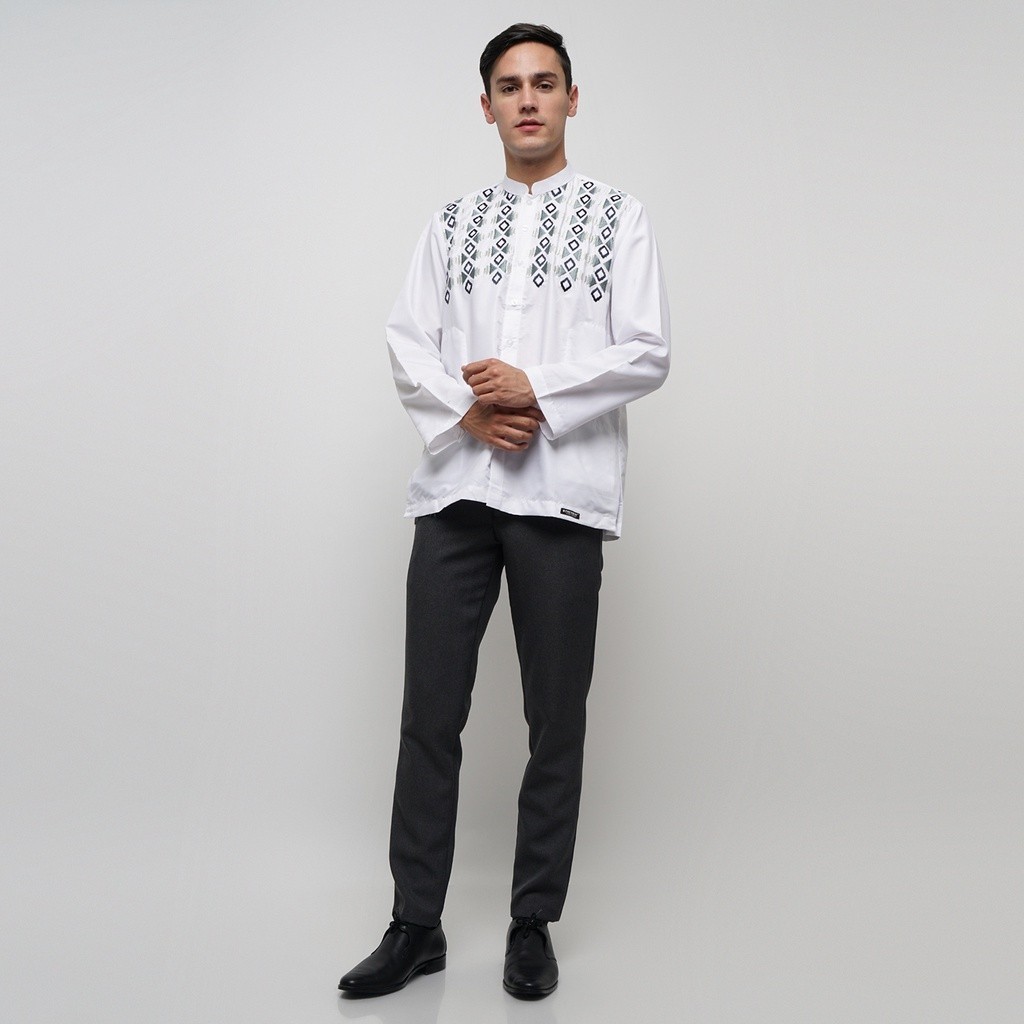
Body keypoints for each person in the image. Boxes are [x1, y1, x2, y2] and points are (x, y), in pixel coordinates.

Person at [338, 23, 670, 1000]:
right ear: (485, 107)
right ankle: (416, 925)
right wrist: (469, 411)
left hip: (561, 498)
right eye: (511, 86)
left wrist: (536, 389)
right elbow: (407, 340)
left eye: (545, 83)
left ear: (572, 98)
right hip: (456, 493)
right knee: (429, 713)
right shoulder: (451, 224)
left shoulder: (618, 218)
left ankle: (532, 923)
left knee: (554, 718)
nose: (529, 99)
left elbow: (648, 349)